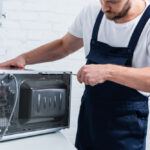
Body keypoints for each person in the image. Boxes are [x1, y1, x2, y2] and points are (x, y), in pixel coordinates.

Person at [0, 0, 150, 149]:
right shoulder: (92, 11)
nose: (104, 7)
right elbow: (64, 46)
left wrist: (108, 71)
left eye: (112, 2)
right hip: (90, 117)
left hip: (127, 125)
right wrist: (24, 59)